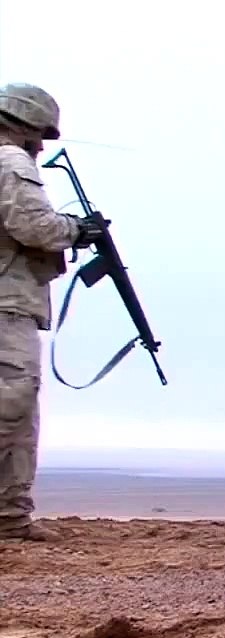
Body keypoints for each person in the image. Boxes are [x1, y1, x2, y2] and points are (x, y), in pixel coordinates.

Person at [0, 82, 100, 541]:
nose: (41, 145)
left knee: (19, 414)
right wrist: (77, 231)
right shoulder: (10, 161)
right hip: (5, 307)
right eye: (40, 133)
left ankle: (10, 518)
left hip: (13, 304)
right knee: (11, 405)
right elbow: (34, 226)